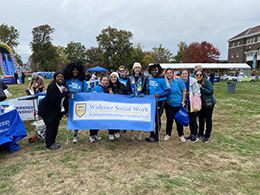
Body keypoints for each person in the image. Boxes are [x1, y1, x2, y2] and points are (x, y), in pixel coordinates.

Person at [38, 70, 68, 150]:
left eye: (62, 77)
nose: (60, 78)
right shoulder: (52, 86)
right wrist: (66, 93)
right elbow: (54, 98)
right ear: (55, 78)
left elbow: (63, 99)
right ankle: (49, 144)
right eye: (58, 77)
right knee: (50, 126)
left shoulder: (63, 85)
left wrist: (65, 111)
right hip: (47, 110)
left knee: (55, 125)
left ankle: (53, 141)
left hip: (56, 110)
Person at [63, 62, 89, 143]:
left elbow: (86, 92)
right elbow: (62, 90)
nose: (75, 71)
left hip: (78, 104)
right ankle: (69, 135)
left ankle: (75, 135)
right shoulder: (66, 80)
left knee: (76, 119)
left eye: (77, 70)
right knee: (70, 119)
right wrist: (67, 93)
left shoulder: (82, 81)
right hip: (68, 103)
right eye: (73, 70)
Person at [145, 64, 170, 142]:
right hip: (151, 101)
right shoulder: (150, 79)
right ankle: (151, 134)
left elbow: (168, 91)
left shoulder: (162, 79)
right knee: (151, 118)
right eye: (152, 70)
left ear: (158, 70)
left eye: (156, 70)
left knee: (157, 118)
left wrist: (159, 95)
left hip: (160, 101)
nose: (154, 71)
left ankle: (156, 136)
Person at [126, 62, 148, 140]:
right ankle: (132, 133)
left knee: (140, 117)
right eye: (136, 68)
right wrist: (129, 93)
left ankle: (139, 133)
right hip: (132, 101)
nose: (137, 69)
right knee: (132, 117)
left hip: (141, 100)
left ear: (140, 69)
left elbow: (146, 88)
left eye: (138, 68)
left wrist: (143, 93)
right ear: (133, 69)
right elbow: (127, 88)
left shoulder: (144, 78)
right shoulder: (129, 78)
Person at [164, 68, 186, 142]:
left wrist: (183, 101)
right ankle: (168, 134)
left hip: (178, 104)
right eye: (167, 73)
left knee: (179, 120)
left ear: (173, 73)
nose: (169, 74)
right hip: (169, 104)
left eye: (170, 72)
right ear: (165, 74)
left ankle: (181, 135)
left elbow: (184, 90)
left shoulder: (178, 80)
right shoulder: (165, 81)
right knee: (169, 120)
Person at [195, 69, 216, 143]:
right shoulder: (195, 82)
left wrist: (201, 88)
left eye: (200, 74)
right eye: (197, 75)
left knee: (208, 119)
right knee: (200, 119)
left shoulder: (206, 82)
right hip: (199, 104)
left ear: (203, 75)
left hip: (208, 103)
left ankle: (207, 135)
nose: (198, 76)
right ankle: (200, 133)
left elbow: (211, 91)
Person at [180, 70, 201, 142]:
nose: (184, 75)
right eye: (183, 73)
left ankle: (195, 135)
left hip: (192, 103)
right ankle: (191, 134)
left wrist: (194, 100)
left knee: (193, 119)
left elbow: (197, 92)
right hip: (185, 103)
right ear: (181, 75)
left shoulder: (193, 81)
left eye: (186, 73)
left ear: (188, 74)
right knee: (189, 119)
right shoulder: (180, 81)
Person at [107, 72, 128, 140]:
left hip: (119, 106)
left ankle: (116, 131)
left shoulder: (121, 85)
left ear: (117, 78)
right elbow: (103, 95)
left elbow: (127, 92)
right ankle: (111, 133)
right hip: (110, 106)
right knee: (111, 119)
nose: (113, 78)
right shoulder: (108, 86)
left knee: (118, 118)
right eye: (112, 77)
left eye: (115, 77)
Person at [89, 74, 109, 142]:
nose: (105, 81)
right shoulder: (97, 87)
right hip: (95, 108)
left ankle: (95, 134)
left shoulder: (106, 88)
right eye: (104, 80)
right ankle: (91, 136)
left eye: (106, 80)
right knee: (94, 122)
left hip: (101, 109)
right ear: (100, 80)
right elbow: (90, 96)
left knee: (98, 122)